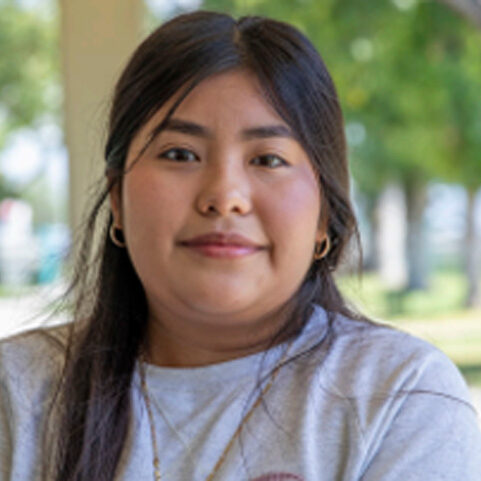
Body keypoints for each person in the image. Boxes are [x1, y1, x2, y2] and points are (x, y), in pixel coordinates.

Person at [0, 10, 480, 481]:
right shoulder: (17, 394)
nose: (224, 197)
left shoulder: (400, 399)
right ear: (117, 200)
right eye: (180, 154)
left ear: (324, 215)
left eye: (268, 159)